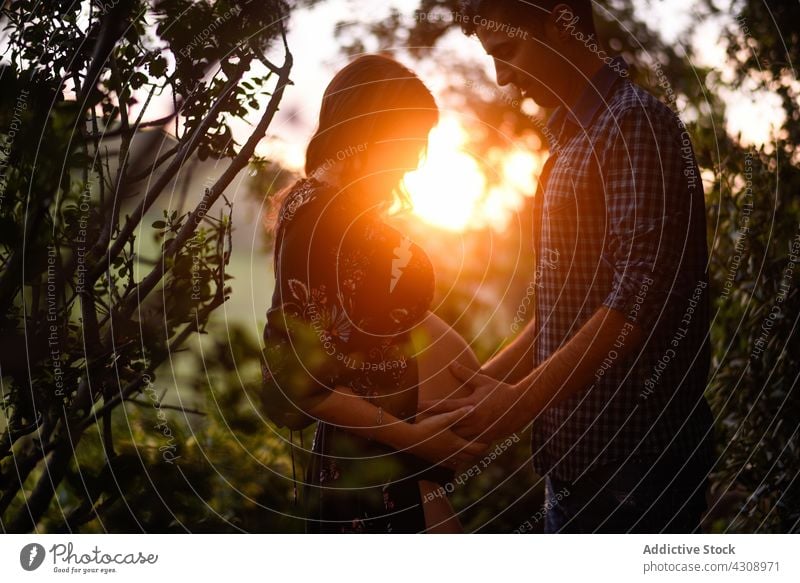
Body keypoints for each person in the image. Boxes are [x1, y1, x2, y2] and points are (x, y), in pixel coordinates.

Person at [424, 0, 716, 533]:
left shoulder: (636, 125)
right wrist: (481, 389)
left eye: (507, 52)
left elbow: (638, 298)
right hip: (578, 468)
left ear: (560, 23)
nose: (502, 78)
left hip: (634, 472)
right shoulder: (574, 136)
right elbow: (569, 308)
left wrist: (517, 405)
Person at [260, 54, 485, 533]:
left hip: (403, 465)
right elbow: (295, 378)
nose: (413, 159)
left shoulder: (348, 215)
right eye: (407, 139)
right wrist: (420, 441)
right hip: (378, 470)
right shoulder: (318, 214)